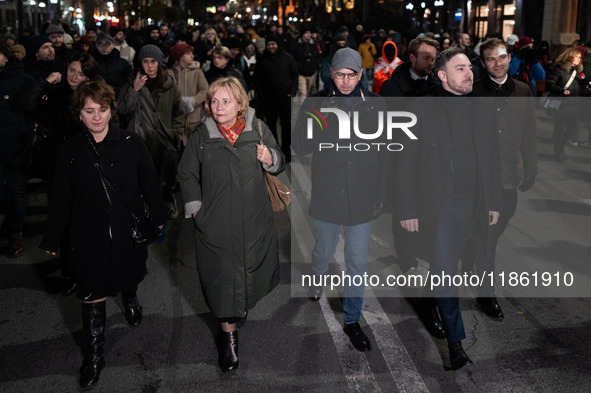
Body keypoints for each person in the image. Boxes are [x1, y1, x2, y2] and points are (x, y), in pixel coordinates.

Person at [39, 81, 167, 390]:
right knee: (90, 293)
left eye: (103, 109)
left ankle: (130, 297)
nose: (97, 117)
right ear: (79, 114)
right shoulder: (68, 151)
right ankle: (94, 354)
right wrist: (52, 237)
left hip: (127, 230)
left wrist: (159, 218)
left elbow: (149, 182)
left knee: (128, 274)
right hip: (86, 236)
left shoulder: (131, 142)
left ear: (111, 111)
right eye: (89, 110)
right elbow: (61, 198)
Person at [394, 47, 502, 370]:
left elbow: (492, 160)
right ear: (442, 76)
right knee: (446, 273)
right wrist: (407, 209)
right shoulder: (421, 110)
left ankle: (427, 305)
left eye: (469, 67)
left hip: (472, 206)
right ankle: (456, 344)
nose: (468, 73)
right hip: (440, 207)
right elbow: (403, 166)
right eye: (459, 69)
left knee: (447, 264)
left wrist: (493, 202)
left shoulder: (482, 109)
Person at [178, 76, 285, 372]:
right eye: (214, 101)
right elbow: (187, 174)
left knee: (249, 272)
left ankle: (237, 311)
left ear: (240, 104)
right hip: (216, 224)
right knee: (223, 281)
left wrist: (269, 157)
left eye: (226, 101)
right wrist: (197, 210)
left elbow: (280, 162)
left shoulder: (257, 129)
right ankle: (228, 338)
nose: (218, 106)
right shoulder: (202, 135)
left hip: (254, 220)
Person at [292, 48, 389, 353]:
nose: (346, 81)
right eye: (339, 75)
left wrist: (381, 194)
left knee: (357, 262)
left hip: (362, 197)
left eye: (352, 75)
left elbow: (385, 153)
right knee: (323, 252)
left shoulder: (376, 105)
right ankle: (316, 276)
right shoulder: (317, 101)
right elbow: (300, 146)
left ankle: (352, 321)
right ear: (330, 74)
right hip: (328, 194)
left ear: (362, 74)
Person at [466, 38, 538, 319]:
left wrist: (531, 167)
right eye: (491, 59)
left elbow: (529, 133)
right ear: (483, 63)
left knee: (497, 226)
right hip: (480, 179)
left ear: (510, 58)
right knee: (488, 237)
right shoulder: (473, 91)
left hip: (510, 176)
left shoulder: (522, 90)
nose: (498, 63)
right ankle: (486, 294)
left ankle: (474, 252)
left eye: (502, 57)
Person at [117, 44, 185, 219]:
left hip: (164, 139)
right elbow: (123, 109)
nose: (150, 66)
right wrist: (135, 89)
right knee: (141, 179)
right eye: (145, 61)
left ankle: (168, 204)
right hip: (139, 139)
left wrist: (174, 134)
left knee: (166, 178)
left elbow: (178, 112)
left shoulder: (170, 85)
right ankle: (143, 210)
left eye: (153, 61)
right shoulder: (132, 82)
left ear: (160, 62)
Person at [0, 40, 34, 257]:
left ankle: (15, 235)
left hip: (15, 147)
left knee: (16, 190)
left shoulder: (23, 79)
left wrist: (23, 129)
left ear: (5, 55)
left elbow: (35, 110)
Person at [254, 35, 298, 159]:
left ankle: (286, 149)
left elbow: (294, 75)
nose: (271, 46)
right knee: (271, 126)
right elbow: (257, 79)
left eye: (273, 44)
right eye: (269, 44)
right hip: (270, 99)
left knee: (286, 125)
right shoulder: (262, 60)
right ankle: (274, 150)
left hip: (285, 98)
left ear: (278, 45)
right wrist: (263, 95)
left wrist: (292, 92)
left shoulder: (288, 58)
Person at [546, 47, 590, 163]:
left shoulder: (577, 71)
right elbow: (550, 84)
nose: (579, 59)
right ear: (569, 57)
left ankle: (559, 148)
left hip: (574, 104)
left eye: (580, 58)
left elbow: (583, 79)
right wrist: (561, 91)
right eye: (577, 57)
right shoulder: (559, 69)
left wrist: (588, 83)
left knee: (571, 129)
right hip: (561, 104)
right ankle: (559, 151)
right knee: (559, 129)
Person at [168, 42, 209, 145]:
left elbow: (206, 90)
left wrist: (193, 100)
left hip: (194, 119)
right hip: (175, 121)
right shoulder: (170, 73)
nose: (192, 56)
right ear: (180, 56)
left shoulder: (197, 72)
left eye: (192, 53)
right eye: (188, 53)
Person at [92, 32, 132, 98]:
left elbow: (129, 82)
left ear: (113, 45)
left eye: (107, 44)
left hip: (118, 99)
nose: (104, 47)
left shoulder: (123, 64)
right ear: (96, 45)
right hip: (96, 99)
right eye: (100, 43)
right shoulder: (91, 63)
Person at [291, 26, 320, 98]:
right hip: (301, 73)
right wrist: (298, 67)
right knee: (302, 92)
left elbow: (317, 56)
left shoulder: (313, 45)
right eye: (306, 33)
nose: (309, 35)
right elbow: (293, 58)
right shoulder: (296, 46)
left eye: (309, 33)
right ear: (302, 34)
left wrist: (314, 66)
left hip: (311, 72)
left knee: (307, 92)